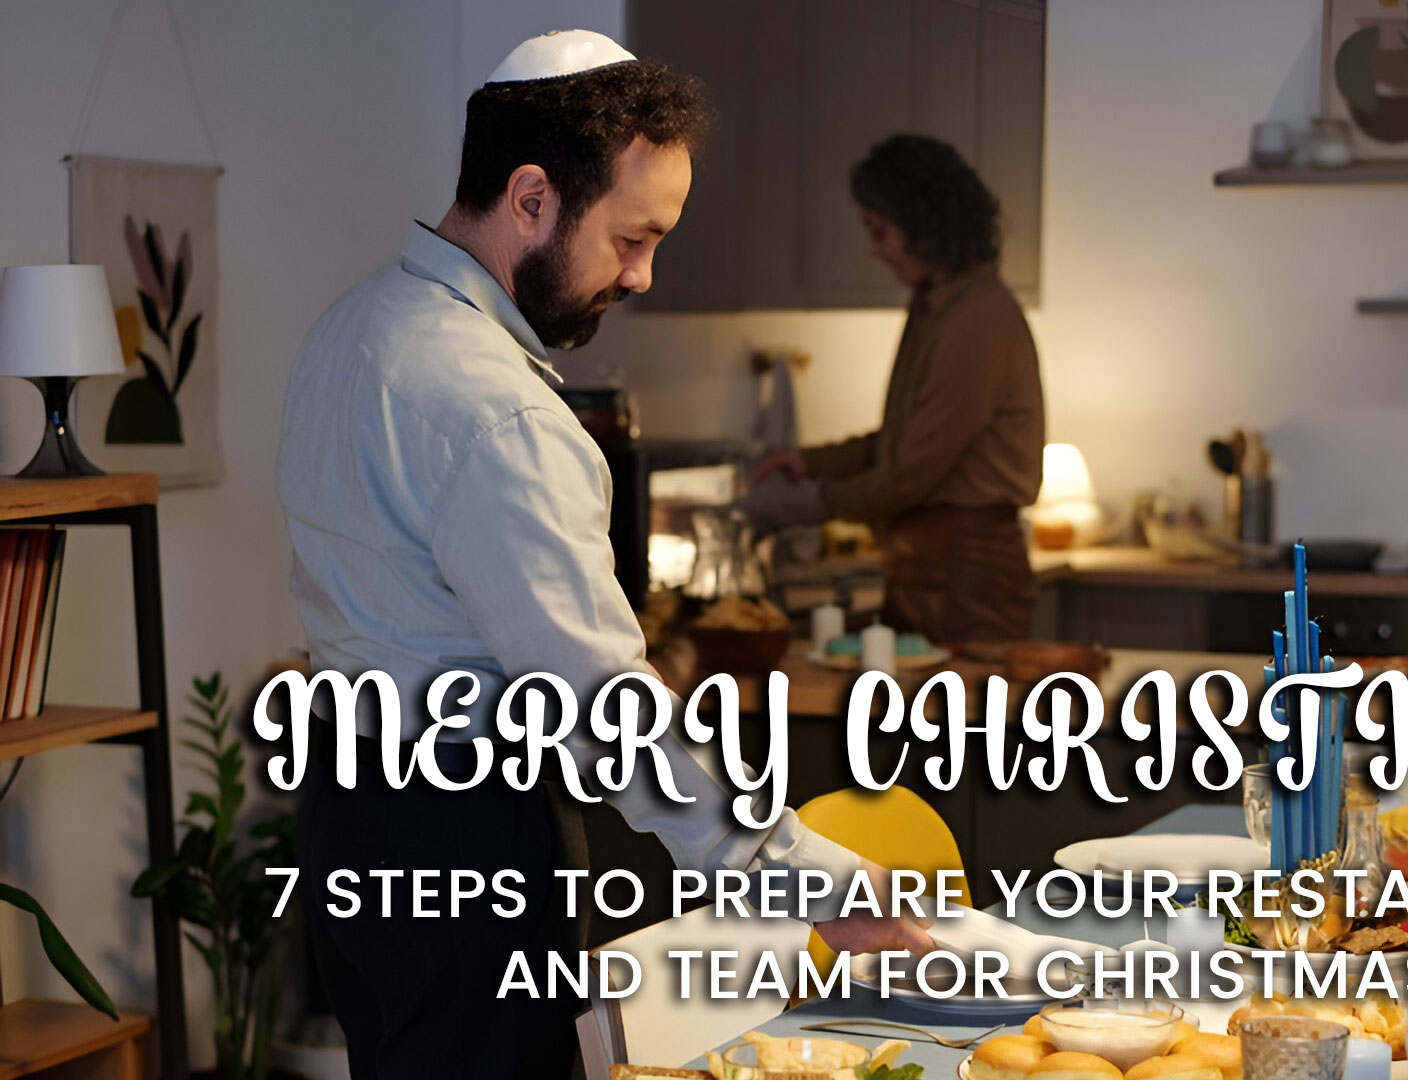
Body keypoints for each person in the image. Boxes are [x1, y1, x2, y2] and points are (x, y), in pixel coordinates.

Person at [276, 32, 930, 1079]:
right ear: (531, 198)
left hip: (349, 821)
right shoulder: (498, 409)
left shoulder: (348, 331)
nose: (642, 274)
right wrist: (806, 880)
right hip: (465, 841)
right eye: (632, 238)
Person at [748, 135, 1045, 645]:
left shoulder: (975, 319)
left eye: (880, 230)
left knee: (960, 720)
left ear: (924, 225)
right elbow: (899, 441)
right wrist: (809, 462)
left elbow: (910, 475)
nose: (875, 248)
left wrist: (807, 503)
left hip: (968, 575)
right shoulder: (936, 304)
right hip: (929, 566)